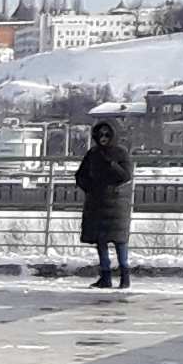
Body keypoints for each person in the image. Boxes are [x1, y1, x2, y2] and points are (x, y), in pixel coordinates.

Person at [76, 115, 136, 288]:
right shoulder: (92, 154)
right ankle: (105, 276)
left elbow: (126, 176)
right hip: (96, 202)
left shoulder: (121, 153)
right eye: (100, 135)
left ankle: (125, 276)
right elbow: (80, 175)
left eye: (107, 135)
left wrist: (112, 165)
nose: (103, 138)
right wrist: (89, 187)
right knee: (100, 241)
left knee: (119, 241)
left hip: (117, 204)